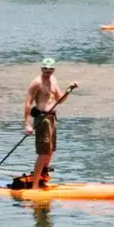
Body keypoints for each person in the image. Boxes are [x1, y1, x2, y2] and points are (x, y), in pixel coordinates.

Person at [18, 58, 78, 188]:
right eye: (45, 68)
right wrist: (27, 124)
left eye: (50, 68)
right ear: (41, 69)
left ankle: (42, 179)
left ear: (53, 69)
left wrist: (69, 89)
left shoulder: (54, 80)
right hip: (42, 119)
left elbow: (59, 100)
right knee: (43, 152)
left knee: (50, 151)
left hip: (51, 118)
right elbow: (28, 103)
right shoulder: (36, 83)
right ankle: (34, 186)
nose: (47, 71)